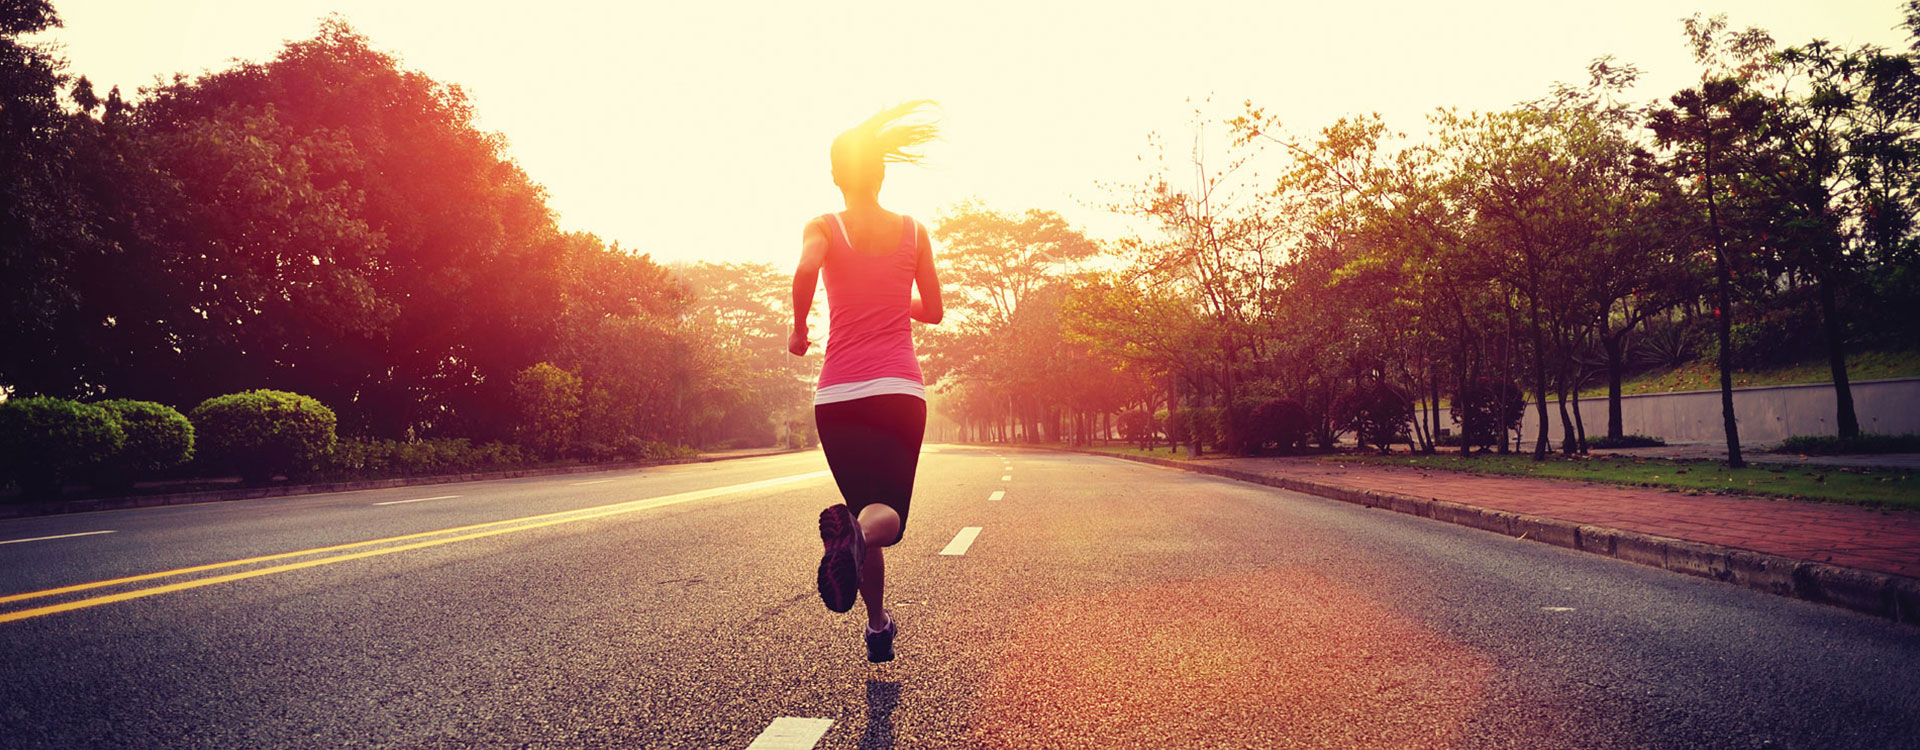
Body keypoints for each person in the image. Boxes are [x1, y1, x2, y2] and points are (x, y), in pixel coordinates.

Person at [789, 101, 943, 664]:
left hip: (839, 397)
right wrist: (893, 298)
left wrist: (799, 328)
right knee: (887, 521)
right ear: (881, 173)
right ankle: (855, 551)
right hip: (899, 392)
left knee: (864, 514)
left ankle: (877, 628)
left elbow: (807, 271)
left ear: (835, 175)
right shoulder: (913, 231)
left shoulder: (823, 226)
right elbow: (936, 310)